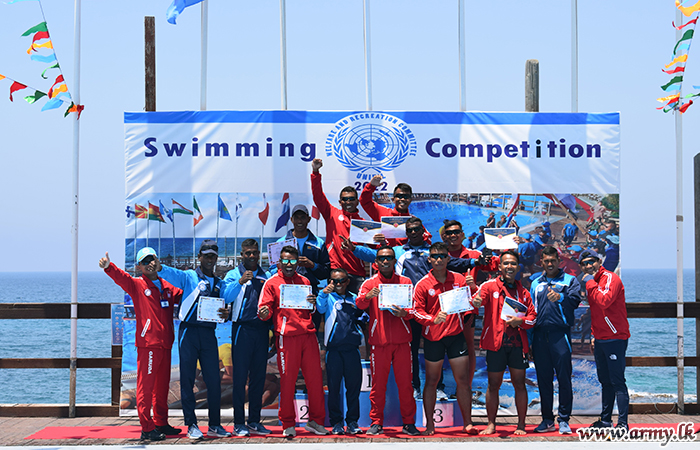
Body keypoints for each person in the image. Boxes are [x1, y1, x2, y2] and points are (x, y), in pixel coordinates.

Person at [99, 248, 182, 441]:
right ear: (139, 266)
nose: (149, 264)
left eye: (151, 259)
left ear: (157, 260)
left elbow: (186, 295)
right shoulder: (137, 285)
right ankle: (147, 428)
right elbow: (121, 278)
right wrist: (109, 267)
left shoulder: (168, 288)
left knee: (162, 387)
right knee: (146, 387)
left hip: (166, 343)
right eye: (144, 262)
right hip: (148, 344)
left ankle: (161, 422)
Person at [157, 239, 231, 439]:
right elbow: (174, 274)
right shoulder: (189, 277)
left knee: (214, 381)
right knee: (188, 379)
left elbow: (225, 306)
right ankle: (191, 424)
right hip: (188, 333)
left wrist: (226, 313)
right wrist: (160, 267)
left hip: (208, 334)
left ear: (216, 259)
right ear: (199, 257)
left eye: (213, 256)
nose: (209, 259)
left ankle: (215, 424)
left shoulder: (219, 283)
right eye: (206, 255)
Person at [257, 246, 329, 438]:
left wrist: (312, 304)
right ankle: (288, 423)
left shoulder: (305, 280)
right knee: (288, 381)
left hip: (308, 335)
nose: (289, 264)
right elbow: (264, 310)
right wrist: (264, 313)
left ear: (297, 262)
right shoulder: (271, 283)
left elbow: (309, 310)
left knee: (315, 381)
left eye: (292, 261)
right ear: (279, 262)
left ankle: (316, 421)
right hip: (286, 338)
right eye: (285, 261)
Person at [412, 242, 478, 436]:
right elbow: (416, 311)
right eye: (435, 256)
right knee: (431, 381)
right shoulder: (423, 284)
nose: (439, 259)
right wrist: (433, 320)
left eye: (443, 255)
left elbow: (471, 303)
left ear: (449, 258)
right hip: (434, 338)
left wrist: (475, 298)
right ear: (429, 259)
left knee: (463, 381)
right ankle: (430, 425)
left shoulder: (459, 279)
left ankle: (468, 423)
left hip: (456, 336)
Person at [355, 246, 420, 436]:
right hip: (379, 342)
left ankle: (409, 423)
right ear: (376, 262)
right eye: (382, 258)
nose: (385, 261)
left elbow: (414, 309)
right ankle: (376, 422)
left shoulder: (405, 281)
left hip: (402, 342)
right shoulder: (370, 283)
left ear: (394, 261)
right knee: (378, 385)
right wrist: (368, 297)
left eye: (389, 258)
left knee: (406, 384)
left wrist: (404, 314)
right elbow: (359, 305)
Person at [473, 250, 536, 436]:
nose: (509, 266)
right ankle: (491, 424)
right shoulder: (489, 286)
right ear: (500, 267)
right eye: (506, 263)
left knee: (519, 384)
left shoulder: (523, 292)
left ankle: (521, 425)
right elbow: (476, 300)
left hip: (517, 345)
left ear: (518, 267)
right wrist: (476, 300)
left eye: (513, 264)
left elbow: (532, 318)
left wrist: (520, 322)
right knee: (493, 384)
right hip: (495, 343)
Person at [220, 239, 272, 437]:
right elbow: (225, 296)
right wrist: (240, 281)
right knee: (240, 379)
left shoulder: (265, 274)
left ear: (259, 254)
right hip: (241, 329)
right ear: (241, 254)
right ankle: (239, 423)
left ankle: (254, 421)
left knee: (259, 377)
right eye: (247, 253)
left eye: (254, 253)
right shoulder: (233, 274)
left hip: (261, 330)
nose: (251, 256)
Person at [529, 246, 581, 435]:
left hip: (561, 335)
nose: (550, 264)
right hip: (540, 336)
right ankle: (547, 420)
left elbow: (575, 301)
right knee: (543, 381)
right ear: (541, 262)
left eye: (553, 260)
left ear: (559, 261)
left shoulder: (570, 280)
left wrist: (560, 297)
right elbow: (531, 311)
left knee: (564, 379)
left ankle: (564, 419)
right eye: (546, 261)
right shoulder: (535, 283)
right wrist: (529, 340)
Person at [579, 249, 630, 431]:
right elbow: (596, 312)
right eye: (584, 263)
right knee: (605, 381)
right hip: (600, 338)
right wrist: (593, 334)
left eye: (591, 261)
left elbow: (604, 301)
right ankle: (606, 420)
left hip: (615, 337)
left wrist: (590, 282)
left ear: (599, 261)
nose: (588, 265)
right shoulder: (593, 281)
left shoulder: (610, 278)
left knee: (617, 381)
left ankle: (623, 424)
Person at [316, 268, 365, 435]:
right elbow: (320, 309)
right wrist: (323, 293)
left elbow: (363, 316)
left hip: (352, 350)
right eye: (334, 281)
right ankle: (336, 422)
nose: (338, 284)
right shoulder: (327, 296)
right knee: (334, 388)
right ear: (330, 282)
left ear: (347, 281)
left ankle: (352, 422)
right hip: (334, 350)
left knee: (353, 388)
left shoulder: (354, 299)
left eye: (341, 281)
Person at [310, 158, 367, 293]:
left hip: (357, 273)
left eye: (351, 199)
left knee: (357, 309)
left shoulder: (363, 223)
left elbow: (373, 251)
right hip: (336, 273)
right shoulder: (332, 214)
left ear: (357, 201)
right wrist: (315, 172)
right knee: (334, 309)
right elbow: (318, 197)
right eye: (345, 199)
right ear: (340, 202)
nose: (348, 202)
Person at [359, 174, 430, 246]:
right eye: (399, 196)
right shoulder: (382, 212)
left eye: (406, 197)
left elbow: (428, 239)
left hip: (405, 256)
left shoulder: (413, 220)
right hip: (385, 255)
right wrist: (371, 186)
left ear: (410, 200)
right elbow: (365, 201)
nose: (402, 199)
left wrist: (418, 237)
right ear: (393, 199)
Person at [275, 204, 331, 294]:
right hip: (286, 288)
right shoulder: (280, 243)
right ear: (291, 220)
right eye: (296, 218)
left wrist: (313, 265)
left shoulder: (319, 243)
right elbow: (272, 270)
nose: (299, 221)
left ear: (308, 219)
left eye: (303, 217)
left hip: (310, 289)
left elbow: (326, 273)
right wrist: (281, 267)